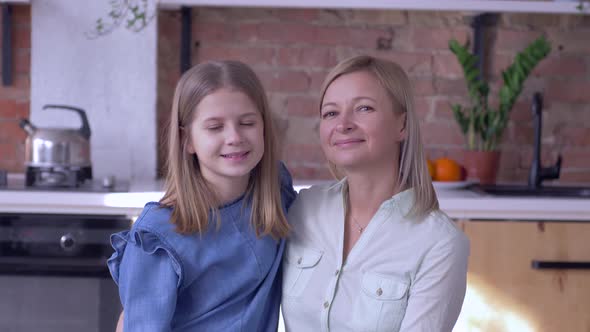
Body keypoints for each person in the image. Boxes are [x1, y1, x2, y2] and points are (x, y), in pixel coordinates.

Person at [281, 55, 470, 331]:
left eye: (364, 108)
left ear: (402, 125)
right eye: (331, 113)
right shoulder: (303, 209)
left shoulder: (439, 243)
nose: (343, 124)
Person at [107, 60, 296, 331]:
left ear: (264, 127)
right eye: (215, 127)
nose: (234, 137)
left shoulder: (276, 191)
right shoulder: (157, 238)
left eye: (247, 122)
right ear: (187, 140)